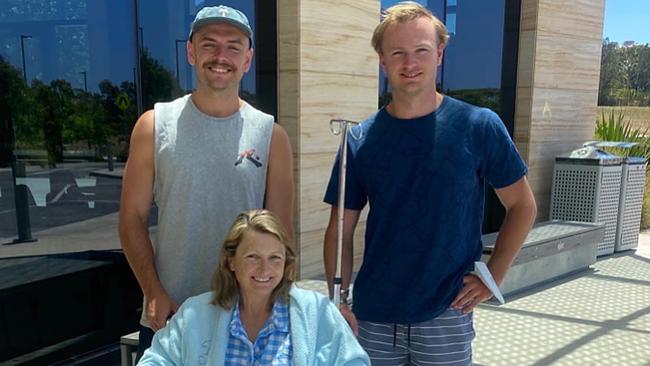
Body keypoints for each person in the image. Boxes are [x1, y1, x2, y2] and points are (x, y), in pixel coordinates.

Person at [322, 2, 537, 365]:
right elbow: (340, 227)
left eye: (421, 50)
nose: (410, 63)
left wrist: (493, 277)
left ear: (439, 53)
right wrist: (337, 301)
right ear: (382, 60)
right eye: (398, 53)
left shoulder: (478, 126)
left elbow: (522, 206)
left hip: (446, 313)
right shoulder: (360, 138)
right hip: (373, 316)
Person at [118, 5, 294, 360]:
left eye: (233, 46)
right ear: (191, 51)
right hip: (171, 314)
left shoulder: (270, 135)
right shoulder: (154, 126)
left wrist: (276, 308)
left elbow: (281, 236)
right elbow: (131, 219)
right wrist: (152, 292)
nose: (221, 56)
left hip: (245, 319)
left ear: (248, 59)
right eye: (209, 44)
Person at [138, 210, 370, 365]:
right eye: (252, 257)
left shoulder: (317, 312)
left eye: (275, 258)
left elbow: (354, 362)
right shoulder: (195, 314)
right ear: (231, 261)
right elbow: (155, 361)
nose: (264, 269)